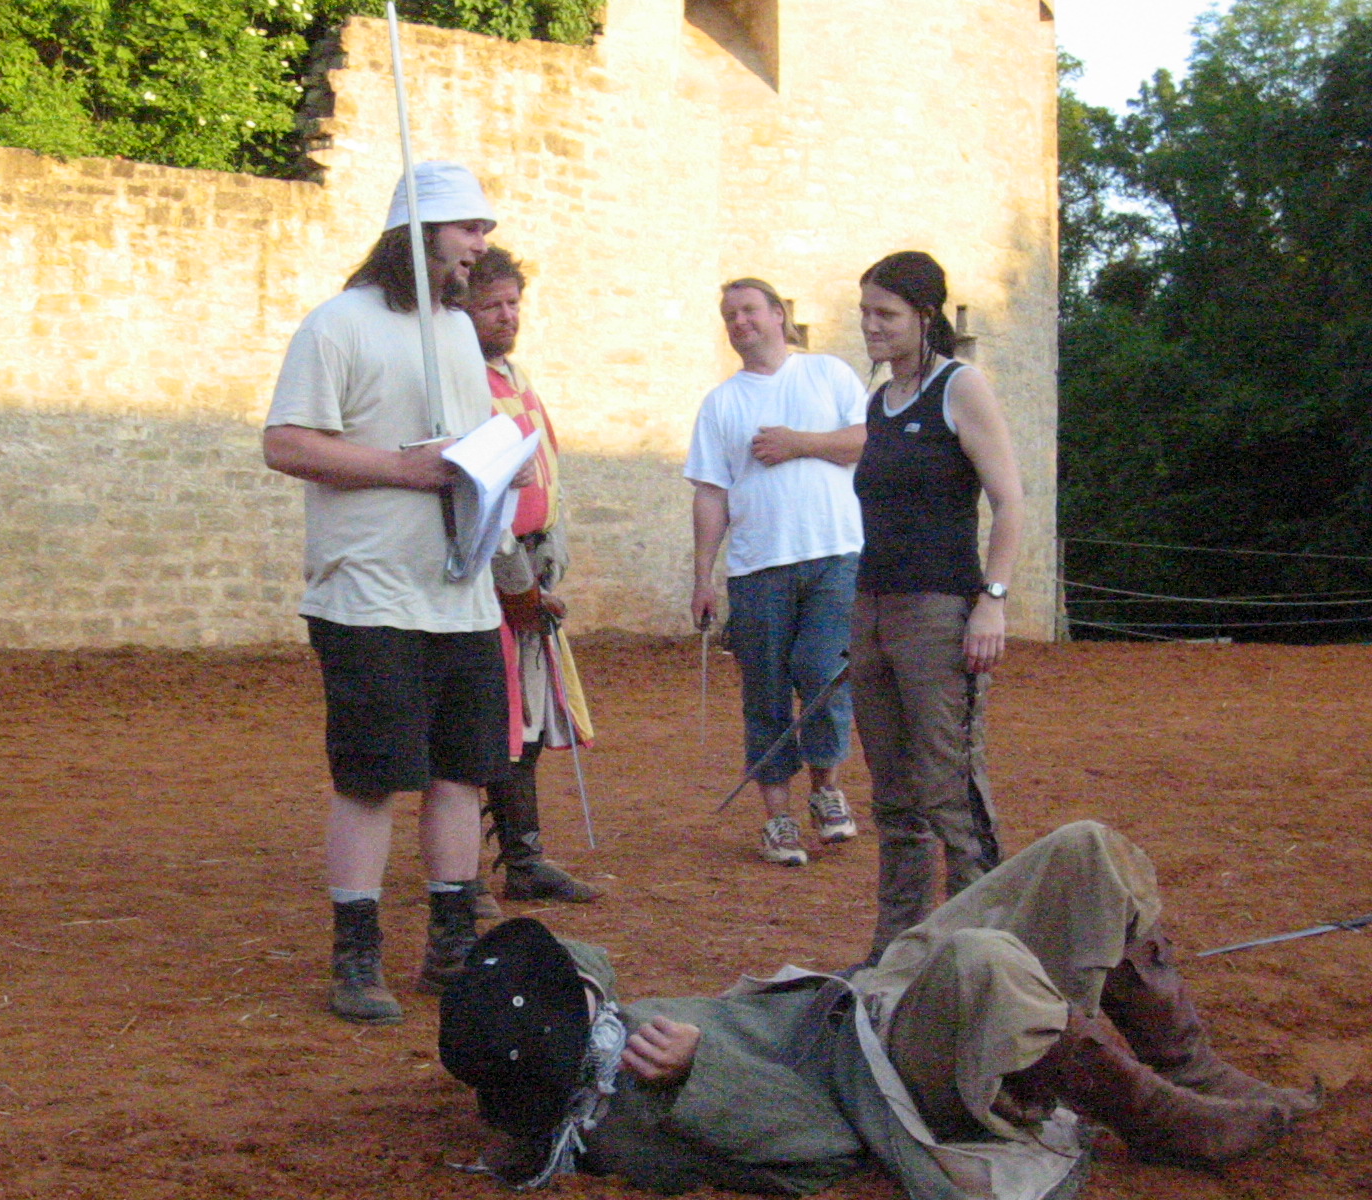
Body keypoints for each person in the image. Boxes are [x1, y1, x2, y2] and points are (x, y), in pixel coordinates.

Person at [439, 821, 1321, 1197]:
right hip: (891, 1084)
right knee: (985, 964)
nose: (582, 995)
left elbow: (584, 967)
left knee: (1083, 852)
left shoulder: (593, 1032)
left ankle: (1188, 1066)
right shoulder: (625, 1124)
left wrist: (575, 987)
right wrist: (696, 1075)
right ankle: (1155, 1116)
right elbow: (826, 1147)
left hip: (871, 996)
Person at [262, 161, 506, 1026]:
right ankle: (357, 955)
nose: (480, 244)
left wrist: (495, 481)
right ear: (421, 232)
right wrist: (406, 469)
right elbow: (287, 444)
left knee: (461, 774)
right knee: (371, 779)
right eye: (468, 227)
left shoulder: (459, 332)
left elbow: (469, 448)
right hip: (368, 595)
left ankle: (451, 945)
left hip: (460, 590)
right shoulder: (337, 324)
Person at [849, 251, 1025, 962]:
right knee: (893, 798)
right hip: (872, 611)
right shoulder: (879, 402)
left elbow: (1010, 502)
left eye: (885, 313)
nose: (871, 326)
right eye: (865, 312)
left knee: (949, 788)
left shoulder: (961, 386)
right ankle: (895, 952)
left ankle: (980, 955)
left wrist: (992, 602)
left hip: (938, 611)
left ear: (925, 316)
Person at [685, 279, 870, 867]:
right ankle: (778, 821)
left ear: (778, 314)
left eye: (749, 310)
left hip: (836, 555)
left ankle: (826, 790)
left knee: (822, 671)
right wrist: (703, 577)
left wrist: (797, 443)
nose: (739, 322)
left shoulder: (828, 373)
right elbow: (711, 493)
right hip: (757, 569)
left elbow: (864, 440)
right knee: (764, 690)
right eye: (729, 315)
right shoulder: (721, 404)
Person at [464, 246, 602, 906]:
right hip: (487, 586)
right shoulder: (463, 385)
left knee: (527, 724)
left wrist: (549, 560)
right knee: (484, 722)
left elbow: (549, 473)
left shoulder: (516, 379)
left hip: (528, 579)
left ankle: (524, 860)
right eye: (491, 305)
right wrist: (516, 584)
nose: (506, 315)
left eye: (513, 303)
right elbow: (479, 501)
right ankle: (461, 871)